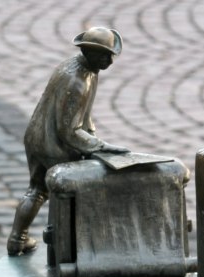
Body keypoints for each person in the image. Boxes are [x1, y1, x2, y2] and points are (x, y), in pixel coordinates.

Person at [7, 27, 128, 255]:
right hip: (53, 143)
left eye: (111, 55)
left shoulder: (80, 66)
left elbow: (81, 114)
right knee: (77, 187)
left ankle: (17, 239)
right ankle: (71, 250)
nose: (110, 61)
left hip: (37, 135)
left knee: (37, 189)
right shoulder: (77, 82)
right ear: (88, 52)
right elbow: (69, 131)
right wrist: (100, 146)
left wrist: (91, 133)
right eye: (104, 55)